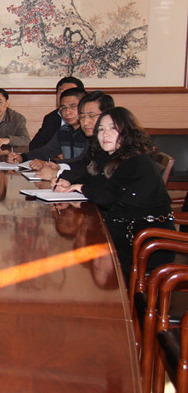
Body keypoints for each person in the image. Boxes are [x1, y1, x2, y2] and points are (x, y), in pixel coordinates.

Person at [55, 107, 175, 277]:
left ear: (127, 132)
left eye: (113, 128)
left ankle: (122, 294)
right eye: (101, 129)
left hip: (146, 243)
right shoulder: (109, 157)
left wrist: (81, 188)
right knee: (74, 246)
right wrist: (68, 182)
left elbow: (105, 197)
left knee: (77, 251)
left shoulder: (137, 161)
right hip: (124, 231)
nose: (106, 134)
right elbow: (88, 177)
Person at [35, 91, 115, 181]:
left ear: (107, 115)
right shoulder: (94, 140)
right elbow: (84, 163)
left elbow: (96, 177)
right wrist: (59, 166)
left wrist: (57, 173)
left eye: (91, 115)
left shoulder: (115, 143)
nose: (85, 122)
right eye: (82, 116)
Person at [7, 86, 87, 169]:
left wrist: (51, 164)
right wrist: (21, 158)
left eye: (73, 106)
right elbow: (46, 152)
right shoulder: (64, 130)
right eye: (63, 108)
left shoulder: (89, 131)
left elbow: (84, 161)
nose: (67, 112)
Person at [28, 76, 84, 150]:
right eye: (61, 92)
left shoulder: (87, 123)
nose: (65, 96)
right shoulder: (51, 118)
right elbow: (35, 145)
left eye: (70, 92)